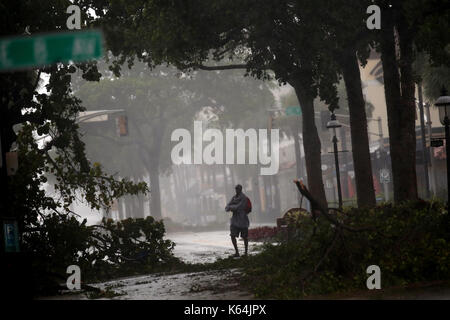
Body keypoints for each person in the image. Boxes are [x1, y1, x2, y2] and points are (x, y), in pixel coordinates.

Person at [225, 184, 250, 257]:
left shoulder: (244, 198)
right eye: (236, 189)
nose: (236, 190)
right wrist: (231, 207)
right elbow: (227, 207)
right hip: (235, 220)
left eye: (238, 189)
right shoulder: (234, 197)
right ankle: (237, 252)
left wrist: (231, 207)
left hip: (243, 220)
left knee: (245, 237)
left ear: (240, 189)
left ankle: (245, 252)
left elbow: (239, 207)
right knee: (232, 235)